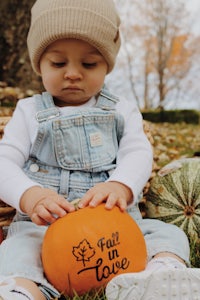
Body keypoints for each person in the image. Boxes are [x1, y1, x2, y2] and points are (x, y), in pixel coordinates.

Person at [0, 0, 199, 299]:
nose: (73, 73)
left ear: (107, 64)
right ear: (38, 63)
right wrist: (30, 195)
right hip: (43, 230)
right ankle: (24, 289)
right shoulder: (29, 112)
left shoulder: (121, 110)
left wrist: (120, 185)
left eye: (89, 64)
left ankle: (161, 274)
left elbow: (138, 152)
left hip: (118, 228)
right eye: (58, 63)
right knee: (18, 249)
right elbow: (3, 162)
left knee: (167, 233)